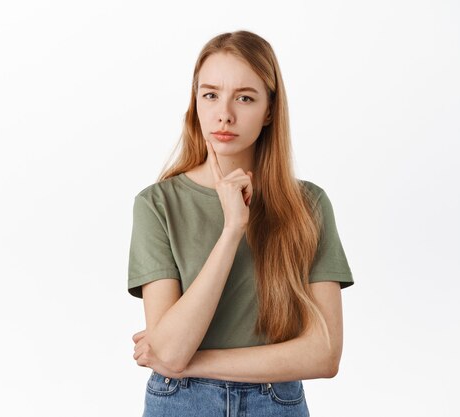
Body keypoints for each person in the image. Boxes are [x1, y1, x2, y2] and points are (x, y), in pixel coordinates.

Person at [127, 30, 354, 417]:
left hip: (275, 403)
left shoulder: (308, 205)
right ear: (195, 103)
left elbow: (324, 354)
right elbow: (169, 350)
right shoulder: (158, 204)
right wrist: (232, 229)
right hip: (180, 403)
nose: (224, 114)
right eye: (210, 94)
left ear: (269, 110)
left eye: (244, 97)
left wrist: (192, 364)